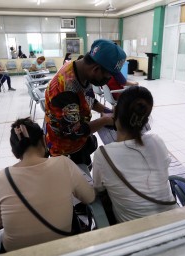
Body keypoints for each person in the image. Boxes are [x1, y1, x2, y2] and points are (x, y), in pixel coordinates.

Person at [0, 118, 95, 253]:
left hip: (17, 255)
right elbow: (89, 197)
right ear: (44, 141)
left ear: (15, 151)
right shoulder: (63, 163)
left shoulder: (2, 177)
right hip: (62, 252)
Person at [93, 86, 177, 223]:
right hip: (174, 222)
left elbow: (97, 189)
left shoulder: (103, 155)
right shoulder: (156, 141)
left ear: (115, 112)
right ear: (145, 119)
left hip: (134, 233)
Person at [44, 39, 126, 168]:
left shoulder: (80, 70)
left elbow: (89, 100)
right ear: (96, 69)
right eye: (108, 76)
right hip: (65, 150)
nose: (107, 81)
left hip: (80, 141)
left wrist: (108, 111)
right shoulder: (65, 89)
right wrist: (104, 121)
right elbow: (74, 132)